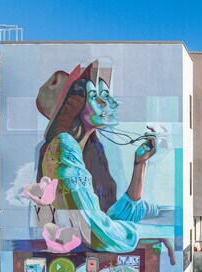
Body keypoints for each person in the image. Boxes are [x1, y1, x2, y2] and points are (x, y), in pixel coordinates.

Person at [35, 58, 161, 254]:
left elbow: (110, 218)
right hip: (71, 259)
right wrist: (144, 232)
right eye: (96, 96)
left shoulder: (91, 150)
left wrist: (140, 164)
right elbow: (94, 230)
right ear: (75, 106)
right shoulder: (64, 147)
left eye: (107, 95)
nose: (109, 102)